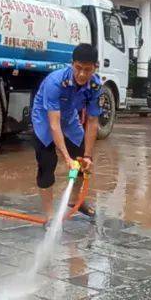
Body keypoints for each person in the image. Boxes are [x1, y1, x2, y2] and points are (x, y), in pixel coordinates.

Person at [30, 43, 101, 220]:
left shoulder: (95, 86)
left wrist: (88, 156)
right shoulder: (55, 82)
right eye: (78, 68)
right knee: (47, 164)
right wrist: (66, 158)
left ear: (95, 67)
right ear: (72, 64)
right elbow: (54, 125)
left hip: (69, 119)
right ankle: (49, 215)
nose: (82, 74)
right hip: (45, 120)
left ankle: (74, 199)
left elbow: (92, 122)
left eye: (88, 69)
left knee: (82, 159)